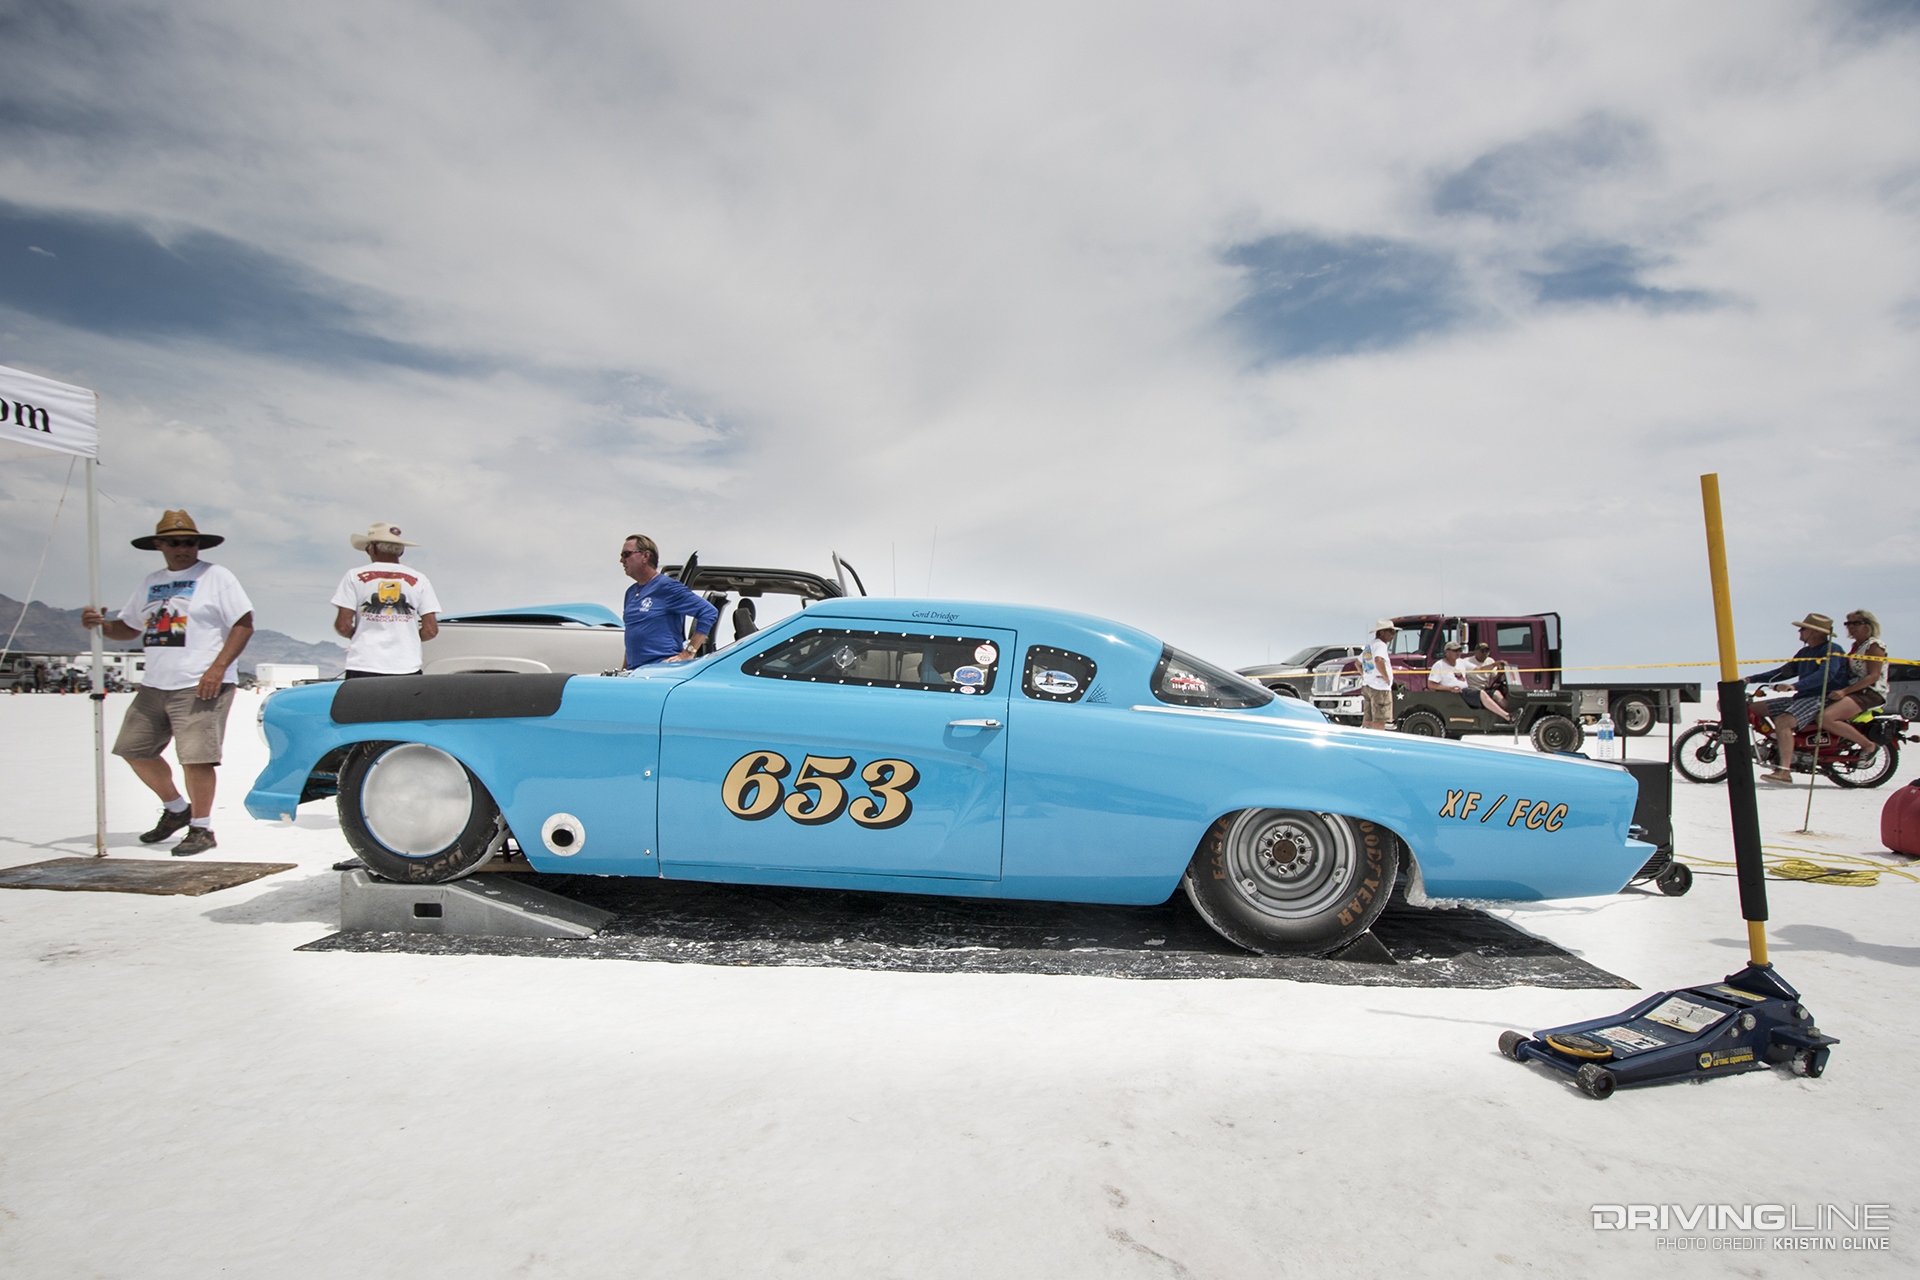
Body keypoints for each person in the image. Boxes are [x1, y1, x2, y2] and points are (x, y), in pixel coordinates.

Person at [81, 510, 254, 855]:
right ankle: (176, 809)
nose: (183, 548)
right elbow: (129, 628)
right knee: (134, 749)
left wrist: (217, 669)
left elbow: (243, 623)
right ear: (159, 545)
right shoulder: (151, 582)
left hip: (200, 682)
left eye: (190, 542)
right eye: (174, 542)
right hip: (156, 683)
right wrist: (100, 625)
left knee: (195, 758)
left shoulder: (216, 576)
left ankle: (201, 828)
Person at [1744, 613, 1849, 784]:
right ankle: (1778, 742)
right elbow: (1784, 672)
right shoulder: (1805, 652)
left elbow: (1825, 674)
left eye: (1803, 628)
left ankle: (1784, 771)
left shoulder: (1831, 649)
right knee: (1752, 709)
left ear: (1815, 632)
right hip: (1802, 697)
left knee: (1784, 722)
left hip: (1820, 697)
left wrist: (1795, 686)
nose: (1799, 631)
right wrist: (1750, 679)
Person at [331, 522, 441, 678]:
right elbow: (430, 630)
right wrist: (407, 639)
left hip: (364, 665)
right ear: (401, 551)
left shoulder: (354, 576)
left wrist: (361, 637)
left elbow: (343, 626)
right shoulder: (420, 579)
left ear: (373, 548)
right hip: (406, 666)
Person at [619, 534, 718, 668]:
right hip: (636, 671)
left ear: (645, 556)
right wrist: (624, 670)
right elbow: (632, 636)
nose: (621, 560)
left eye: (626, 554)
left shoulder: (667, 587)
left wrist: (689, 652)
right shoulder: (630, 593)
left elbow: (708, 611)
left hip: (661, 669)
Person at [1818, 609, 1889, 759]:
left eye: (1857, 623)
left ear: (1869, 625)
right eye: (1848, 623)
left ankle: (1869, 746)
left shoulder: (1874, 645)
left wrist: (1845, 691)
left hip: (1869, 692)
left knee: (1825, 718)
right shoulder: (1857, 645)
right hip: (1855, 690)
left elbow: (1873, 676)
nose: (1851, 627)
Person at [1430, 641, 1511, 720]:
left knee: (1496, 694)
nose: (1458, 652)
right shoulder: (1439, 665)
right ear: (1447, 651)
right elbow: (1431, 684)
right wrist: (1450, 688)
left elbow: (1480, 669)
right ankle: (1507, 716)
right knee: (1481, 693)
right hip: (1455, 694)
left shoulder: (1461, 662)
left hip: (1466, 691)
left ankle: (1511, 713)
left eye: (1460, 650)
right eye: (1455, 650)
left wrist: (1495, 664)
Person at [1361, 619, 1396, 731]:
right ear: (1382, 632)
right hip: (1379, 687)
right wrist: (1386, 677)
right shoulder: (1381, 645)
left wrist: (1366, 675)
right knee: (1380, 720)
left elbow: (1358, 663)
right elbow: (1378, 660)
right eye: (1391, 631)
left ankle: (1366, 739)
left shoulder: (1370, 645)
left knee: (1368, 719)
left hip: (1368, 685)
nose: (1393, 634)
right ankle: (1378, 740)